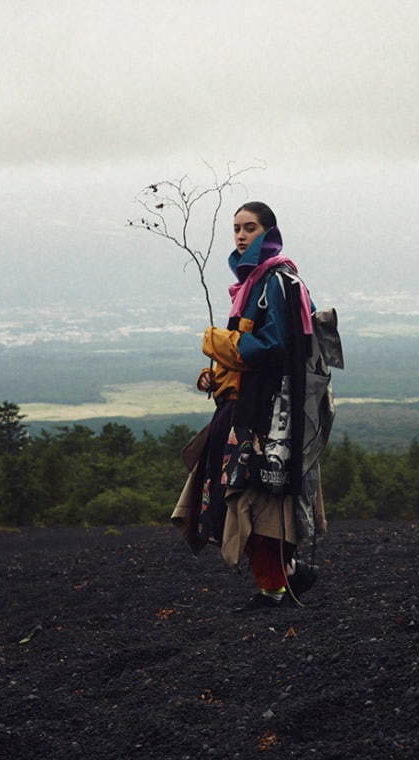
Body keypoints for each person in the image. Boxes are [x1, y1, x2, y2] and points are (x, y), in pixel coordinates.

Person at [171, 202, 328, 610]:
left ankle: (276, 585)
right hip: (251, 406)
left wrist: (223, 344)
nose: (241, 236)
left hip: (267, 414)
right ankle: (284, 576)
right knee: (253, 496)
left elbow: (275, 346)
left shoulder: (274, 282)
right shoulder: (254, 284)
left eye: (250, 228)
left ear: (269, 231)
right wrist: (217, 373)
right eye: (236, 229)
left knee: (258, 498)